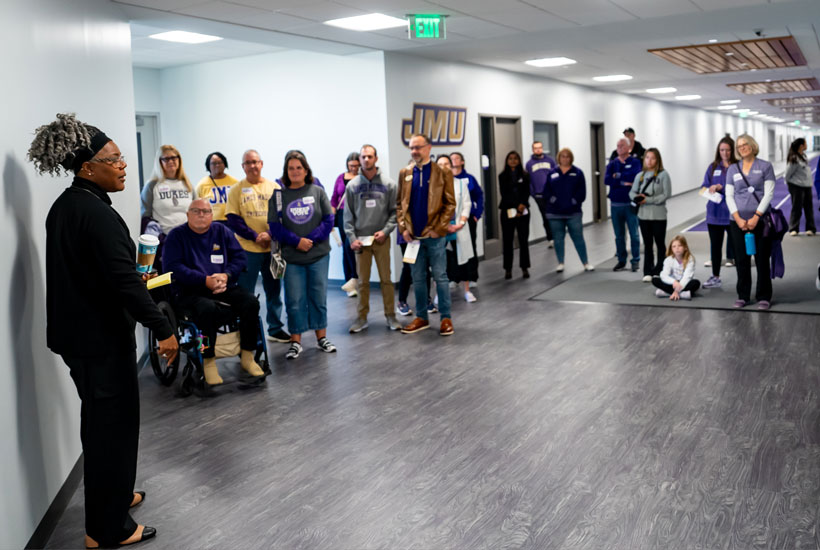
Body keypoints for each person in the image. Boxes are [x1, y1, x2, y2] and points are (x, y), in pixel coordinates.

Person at [30, 113, 178, 548]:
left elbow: (98, 274)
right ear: (87, 168)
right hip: (99, 341)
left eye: (121, 157)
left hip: (80, 338)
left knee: (104, 425)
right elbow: (123, 282)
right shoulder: (93, 213)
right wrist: (163, 327)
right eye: (113, 159)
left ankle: (113, 497)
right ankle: (106, 530)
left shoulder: (70, 205)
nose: (123, 165)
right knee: (110, 430)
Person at [163, 199, 265, 385]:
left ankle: (248, 356)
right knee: (206, 309)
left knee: (251, 302)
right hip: (189, 291)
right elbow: (173, 267)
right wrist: (204, 280)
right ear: (188, 215)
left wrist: (226, 275)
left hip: (221, 286)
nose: (201, 214)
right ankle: (208, 360)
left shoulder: (221, 231)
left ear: (212, 215)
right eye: (196, 211)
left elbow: (240, 258)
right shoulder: (176, 236)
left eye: (205, 211)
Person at [268, 151, 336, 359]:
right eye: (291, 168)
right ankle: (296, 342)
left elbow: (328, 220)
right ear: (286, 172)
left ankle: (321, 338)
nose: (295, 171)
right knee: (294, 299)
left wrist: (311, 240)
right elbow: (274, 226)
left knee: (318, 297)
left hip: (318, 255)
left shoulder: (317, 191)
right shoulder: (278, 196)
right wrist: (297, 241)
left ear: (306, 170)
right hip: (292, 257)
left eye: (299, 167)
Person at [225, 149, 290, 342]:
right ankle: (247, 331)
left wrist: (270, 234)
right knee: (246, 293)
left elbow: (283, 215)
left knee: (274, 290)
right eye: (248, 163)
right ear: (243, 167)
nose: (252, 166)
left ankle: (275, 328)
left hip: (273, 249)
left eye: (255, 162)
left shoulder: (274, 187)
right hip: (247, 250)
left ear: (261, 164)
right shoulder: (236, 189)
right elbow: (233, 219)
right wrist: (255, 236)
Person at [397, 134, 456, 336]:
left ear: (429, 148)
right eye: (412, 148)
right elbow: (399, 206)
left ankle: (446, 318)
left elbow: (450, 204)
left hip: (435, 237)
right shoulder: (405, 172)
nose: (414, 151)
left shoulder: (442, 172)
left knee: (440, 277)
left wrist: (438, 228)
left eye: (418, 147)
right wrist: (403, 228)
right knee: (418, 279)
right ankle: (421, 317)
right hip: (413, 238)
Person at [344, 144, 402, 333]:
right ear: (359, 160)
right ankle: (361, 318)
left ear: (376, 159)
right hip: (361, 242)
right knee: (362, 282)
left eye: (369, 156)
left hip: (381, 240)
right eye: (363, 157)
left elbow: (395, 213)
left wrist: (386, 231)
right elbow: (348, 216)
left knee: (386, 280)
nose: (366, 160)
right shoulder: (352, 186)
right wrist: (352, 237)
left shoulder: (389, 184)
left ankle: (391, 316)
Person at [726, 134, 776, 309]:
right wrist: (738, 219)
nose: (742, 148)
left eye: (745, 144)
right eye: (739, 146)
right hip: (737, 222)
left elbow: (768, 193)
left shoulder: (765, 166)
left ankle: (764, 295)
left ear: (752, 145)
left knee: (762, 258)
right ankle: (743, 295)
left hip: (761, 221)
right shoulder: (733, 169)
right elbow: (729, 196)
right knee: (741, 259)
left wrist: (756, 216)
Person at [140, 145, 193, 272]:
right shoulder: (152, 186)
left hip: (188, 240)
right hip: (165, 241)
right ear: (159, 162)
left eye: (174, 157)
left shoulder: (187, 184)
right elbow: (146, 218)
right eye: (166, 159)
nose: (171, 161)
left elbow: (195, 211)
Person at [544, 148, 594, 273]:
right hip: (555, 213)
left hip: (573, 213)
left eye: (567, 156)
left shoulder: (577, 173)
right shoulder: (552, 173)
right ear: (558, 158)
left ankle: (586, 263)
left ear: (571, 158)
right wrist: (554, 201)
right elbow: (546, 191)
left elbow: (582, 193)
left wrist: (573, 202)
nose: (565, 159)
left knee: (578, 237)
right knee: (558, 238)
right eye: (562, 156)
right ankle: (560, 262)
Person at [630, 148, 671, 282]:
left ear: (657, 160)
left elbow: (666, 194)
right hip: (643, 216)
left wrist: (648, 200)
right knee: (647, 244)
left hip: (659, 216)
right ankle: (647, 270)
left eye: (652, 158)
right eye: (647, 157)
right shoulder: (640, 176)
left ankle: (660, 270)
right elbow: (632, 192)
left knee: (660, 244)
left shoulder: (664, 175)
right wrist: (637, 198)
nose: (649, 160)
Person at [437, 155, 475, 301]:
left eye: (446, 163)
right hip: (441, 230)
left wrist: (461, 223)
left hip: (458, 227)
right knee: (440, 262)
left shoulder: (460, 184)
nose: (443, 166)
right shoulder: (433, 186)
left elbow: (467, 204)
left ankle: (467, 291)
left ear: (451, 166)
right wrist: (443, 225)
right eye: (440, 164)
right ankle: (440, 294)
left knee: (463, 260)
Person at [701, 137, 737, 289]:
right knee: (715, 247)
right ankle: (715, 276)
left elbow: (740, 187)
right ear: (718, 151)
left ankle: (743, 277)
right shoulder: (713, 167)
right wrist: (710, 189)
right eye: (722, 150)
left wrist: (722, 187)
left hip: (732, 214)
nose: (725, 153)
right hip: (714, 214)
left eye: (728, 150)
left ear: (732, 150)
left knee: (737, 247)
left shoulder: (737, 167)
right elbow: (703, 187)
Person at [605, 137, 643, 272]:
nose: (619, 148)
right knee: (619, 235)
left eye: (622, 145)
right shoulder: (612, 163)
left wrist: (618, 177)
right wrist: (623, 181)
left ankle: (635, 260)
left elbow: (636, 178)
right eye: (617, 145)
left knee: (634, 234)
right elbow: (606, 180)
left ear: (628, 148)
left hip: (630, 204)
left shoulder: (635, 162)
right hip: (615, 205)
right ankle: (621, 261)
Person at [450, 151, 483, 302]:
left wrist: (476, 214)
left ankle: (471, 277)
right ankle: (454, 277)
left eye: (457, 158)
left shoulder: (468, 179)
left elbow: (478, 197)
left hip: (467, 219)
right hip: (450, 222)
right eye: (452, 158)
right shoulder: (444, 181)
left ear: (462, 162)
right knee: (450, 251)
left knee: (468, 249)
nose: (454, 160)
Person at [331, 152, 361, 296]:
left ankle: (356, 279)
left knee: (354, 247)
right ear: (347, 165)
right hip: (343, 214)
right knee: (346, 248)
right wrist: (331, 218)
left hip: (358, 215)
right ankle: (349, 282)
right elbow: (334, 198)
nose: (353, 168)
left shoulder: (363, 179)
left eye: (356, 165)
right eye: (351, 165)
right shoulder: (340, 178)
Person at [498, 150, 531, 280]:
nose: (513, 160)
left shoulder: (525, 175)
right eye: (510, 158)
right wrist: (516, 206)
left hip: (523, 211)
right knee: (508, 241)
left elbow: (527, 191)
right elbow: (504, 194)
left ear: (519, 160)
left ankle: (525, 267)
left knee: (523, 240)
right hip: (508, 211)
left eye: (515, 158)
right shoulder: (502, 176)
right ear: (507, 161)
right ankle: (508, 269)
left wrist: (522, 205)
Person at [525, 141, 556, 248]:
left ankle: (557, 236)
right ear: (533, 150)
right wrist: (533, 194)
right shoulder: (529, 164)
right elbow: (528, 181)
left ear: (542, 148)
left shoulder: (550, 161)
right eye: (535, 148)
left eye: (539, 147)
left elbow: (556, 175)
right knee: (545, 217)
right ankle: (551, 238)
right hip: (539, 195)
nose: (538, 150)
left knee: (554, 215)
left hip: (551, 194)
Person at [653, 235, 700, 300]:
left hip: (684, 282)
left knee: (696, 283)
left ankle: (667, 293)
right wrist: (674, 282)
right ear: (671, 249)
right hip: (672, 283)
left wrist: (676, 291)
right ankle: (684, 294)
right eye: (674, 246)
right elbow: (664, 275)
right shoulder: (668, 260)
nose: (677, 248)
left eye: (680, 245)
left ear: (685, 247)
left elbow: (687, 277)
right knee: (655, 279)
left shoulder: (690, 259)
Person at [195, 151, 238, 223]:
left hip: (232, 222)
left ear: (225, 164)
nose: (217, 165)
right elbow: (196, 207)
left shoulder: (235, 183)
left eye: (220, 162)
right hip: (211, 223)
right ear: (208, 166)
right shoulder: (201, 185)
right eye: (214, 163)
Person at [785, 137, 816, 236]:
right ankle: (793, 228)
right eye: (806, 143)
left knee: (809, 208)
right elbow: (787, 174)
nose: (807, 145)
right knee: (797, 207)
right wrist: (792, 185)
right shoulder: (794, 158)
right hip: (797, 187)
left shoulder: (803, 156)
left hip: (807, 186)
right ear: (801, 146)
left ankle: (810, 228)